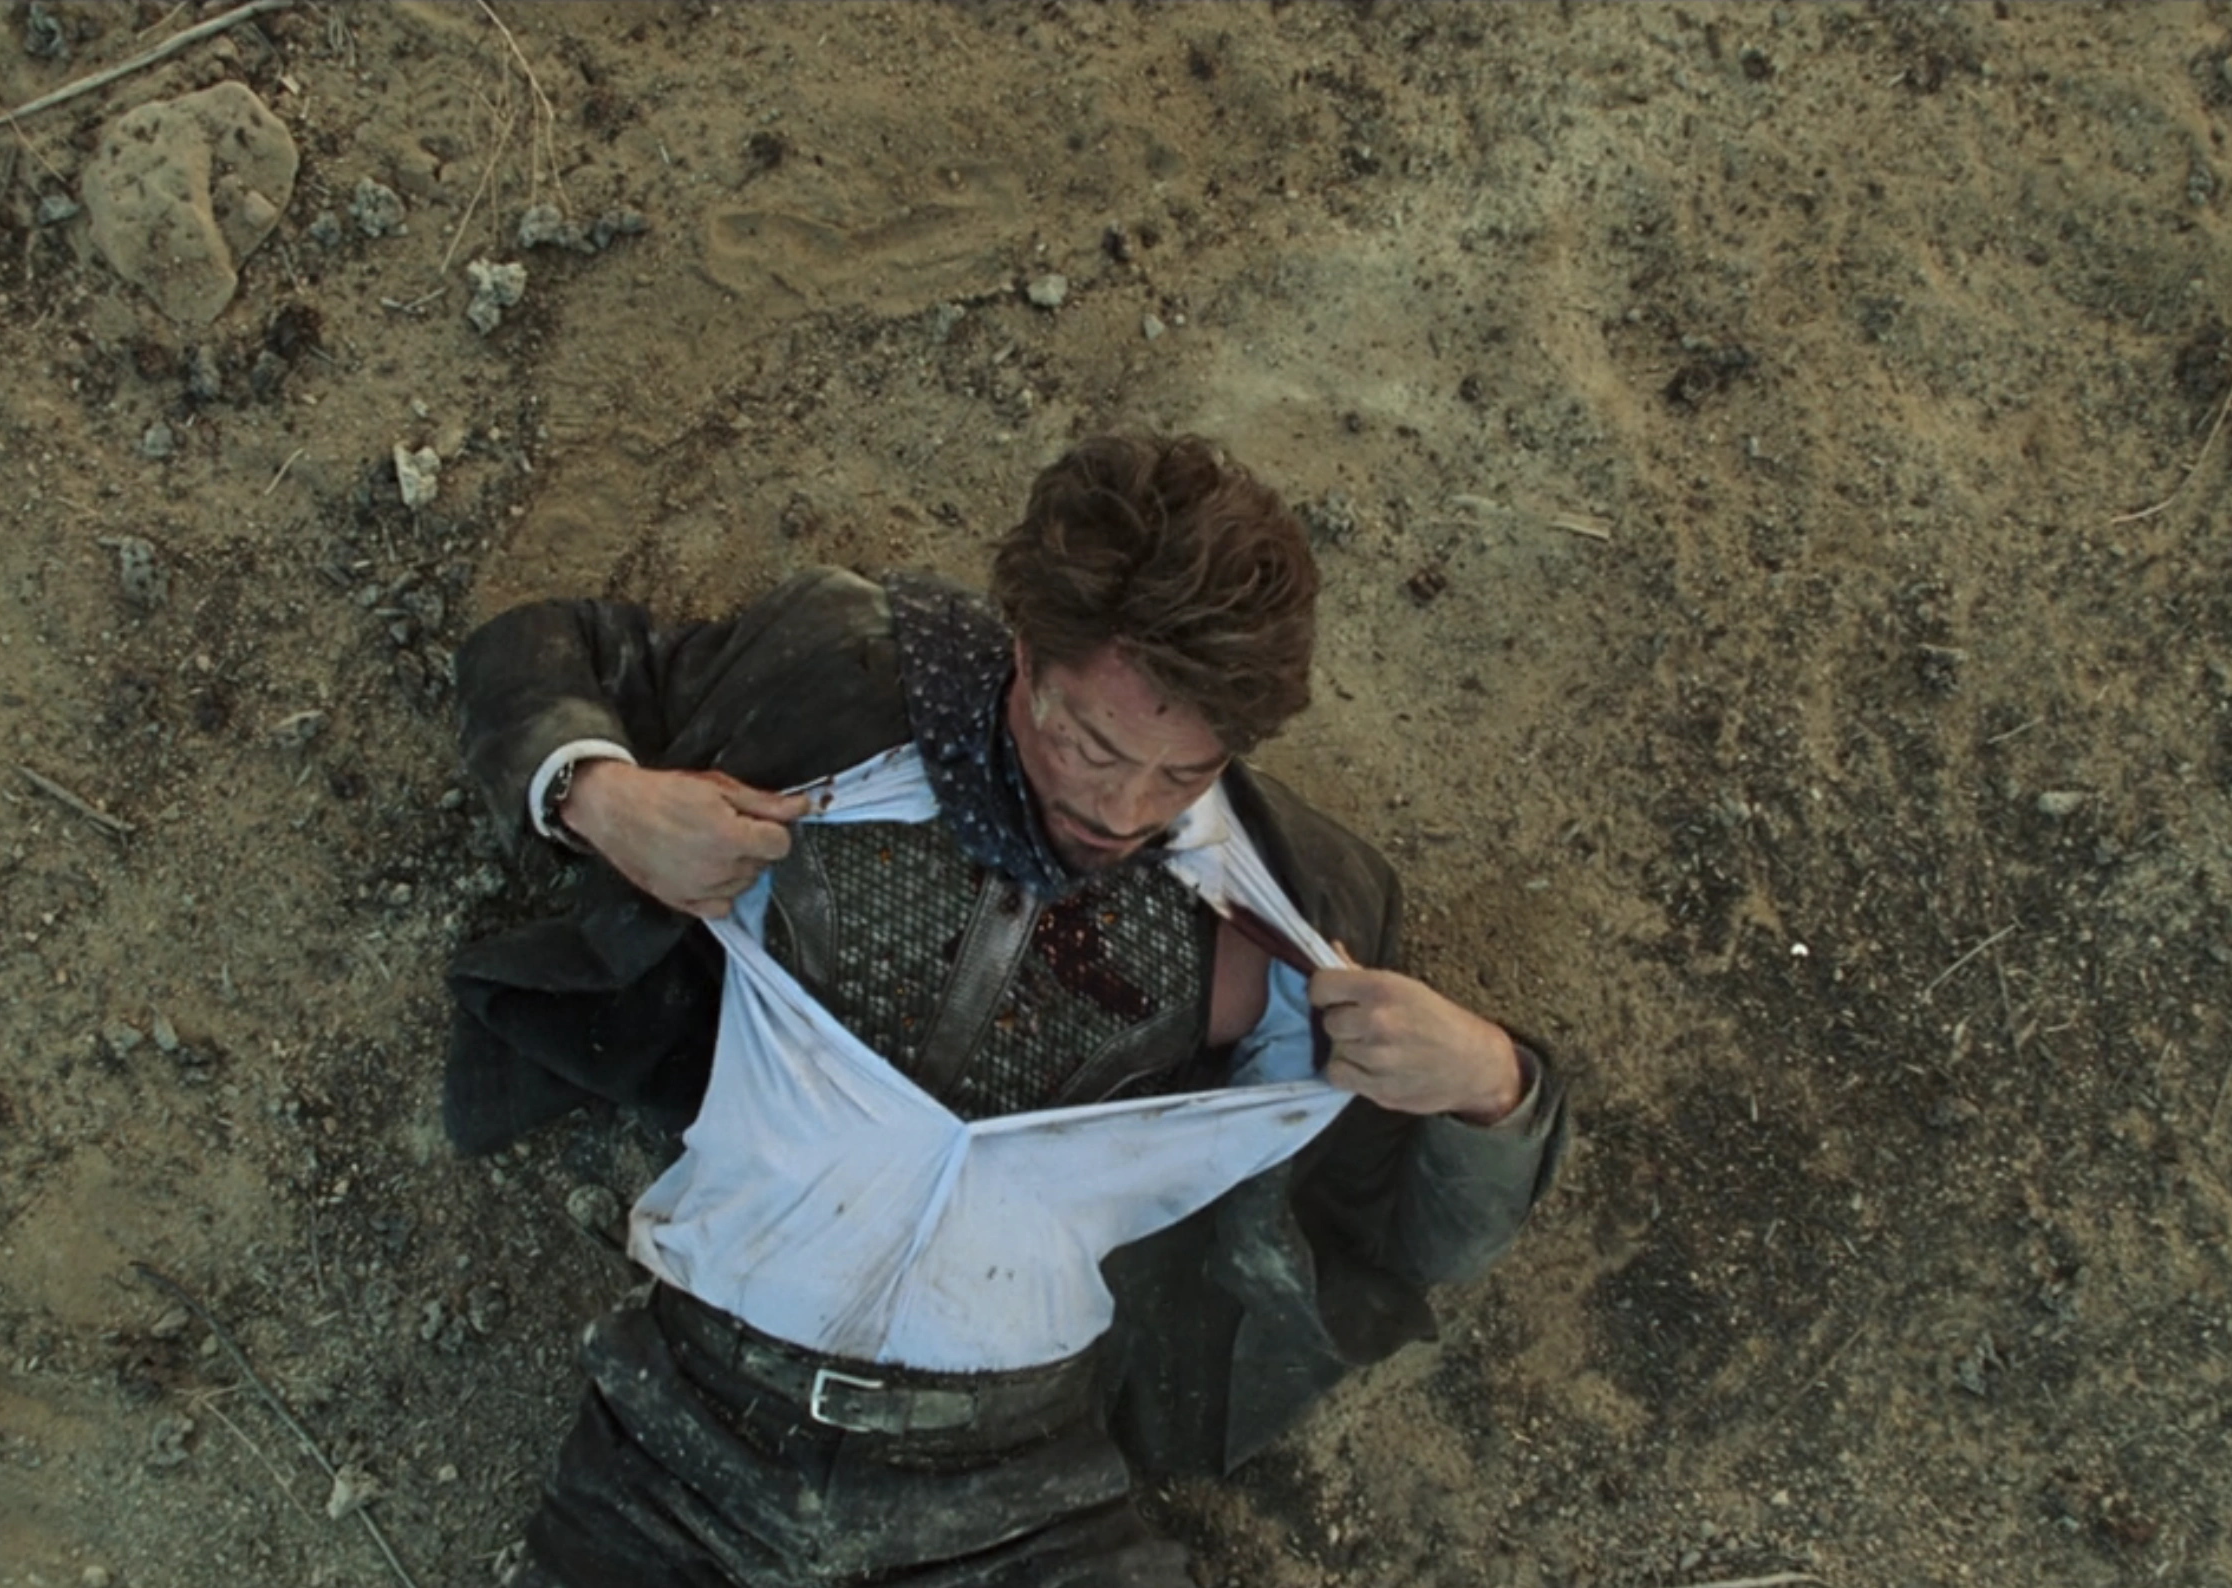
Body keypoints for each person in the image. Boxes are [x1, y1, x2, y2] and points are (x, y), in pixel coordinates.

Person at [445, 433, 1571, 1587]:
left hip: (1019, 1507)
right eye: (1089, 742)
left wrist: (1494, 1085)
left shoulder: (1290, 913)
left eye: (1182, 773)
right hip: (676, 1439)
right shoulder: (842, 679)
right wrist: (598, 796)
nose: (1122, 807)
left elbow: (1409, 1236)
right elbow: (540, 653)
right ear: (1025, 650)